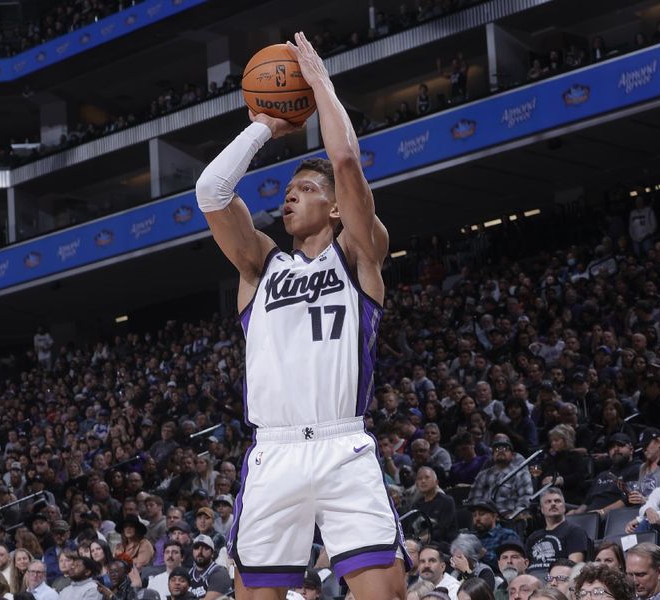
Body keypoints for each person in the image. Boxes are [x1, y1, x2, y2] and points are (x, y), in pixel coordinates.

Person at [196, 32, 406, 599]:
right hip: (275, 451)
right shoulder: (260, 267)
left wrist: (319, 85)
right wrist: (266, 123)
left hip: (344, 447)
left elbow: (344, 159)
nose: (289, 197)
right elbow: (211, 190)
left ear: (335, 207)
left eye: (305, 189)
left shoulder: (359, 253)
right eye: (287, 190)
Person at [466, 436, 531, 518]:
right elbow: (473, 500)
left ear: (512, 454)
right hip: (486, 518)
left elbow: (526, 498)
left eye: (505, 448)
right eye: (496, 449)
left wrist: (514, 515)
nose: (500, 451)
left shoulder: (520, 473)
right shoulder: (482, 475)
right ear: (492, 455)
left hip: (510, 519)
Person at [525, 488, 587, 572]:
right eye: (548, 502)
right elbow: (524, 565)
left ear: (564, 508)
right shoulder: (533, 537)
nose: (553, 504)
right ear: (542, 509)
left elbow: (575, 568)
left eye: (557, 501)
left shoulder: (575, 531)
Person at [187, 534, 231, 599]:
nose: (200, 551)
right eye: (196, 547)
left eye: (205, 548)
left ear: (212, 553)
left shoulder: (220, 573)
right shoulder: (189, 573)